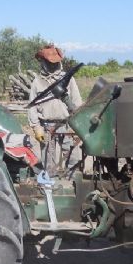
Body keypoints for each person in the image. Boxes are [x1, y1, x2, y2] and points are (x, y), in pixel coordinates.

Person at [27, 44, 83, 178]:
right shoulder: (37, 82)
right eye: (49, 63)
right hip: (46, 126)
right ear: (43, 62)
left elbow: (77, 103)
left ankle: (73, 181)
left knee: (73, 155)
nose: (53, 66)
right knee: (48, 161)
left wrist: (78, 125)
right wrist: (36, 127)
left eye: (55, 63)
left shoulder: (68, 80)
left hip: (67, 125)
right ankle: (50, 185)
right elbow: (32, 106)